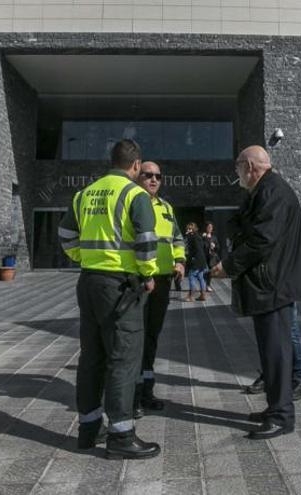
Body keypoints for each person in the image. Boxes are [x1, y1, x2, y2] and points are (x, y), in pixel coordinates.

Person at [58, 139, 161, 460]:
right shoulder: (135, 194)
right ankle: (121, 435)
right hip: (120, 287)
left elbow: (65, 236)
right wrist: (147, 274)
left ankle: (89, 429)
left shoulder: (84, 194)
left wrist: (86, 257)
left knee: (92, 357)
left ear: (111, 161)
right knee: (124, 358)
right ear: (135, 166)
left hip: (88, 281)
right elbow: (146, 240)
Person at [211, 145, 301, 440]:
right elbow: (243, 225)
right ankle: (275, 407)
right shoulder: (264, 191)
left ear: (250, 167)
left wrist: (228, 266)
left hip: (274, 286)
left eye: (237, 168)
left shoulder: (273, 191)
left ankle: (282, 416)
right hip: (270, 285)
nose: (236, 174)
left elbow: (260, 240)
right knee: (271, 352)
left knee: (277, 352)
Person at [133, 161, 185, 419]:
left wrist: (180, 260)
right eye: (148, 175)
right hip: (140, 281)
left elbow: (176, 237)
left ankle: (147, 392)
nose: (154, 179)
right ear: (137, 176)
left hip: (163, 282)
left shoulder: (166, 207)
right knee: (136, 339)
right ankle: (132, 396)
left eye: (158, 176)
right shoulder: (131, 201)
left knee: (152, 337)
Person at [243, 302, 301, 400]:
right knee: (266, 328)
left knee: (290, 327)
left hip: (284, 290)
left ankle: (298, 379)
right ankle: (269, 376)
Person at [184, 222, 208, 302]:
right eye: (187, 228)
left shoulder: (193, 237)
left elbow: (196, 249)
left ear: (194, 229)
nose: (188, 230)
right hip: (202, 260)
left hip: (196, 260)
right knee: (201, 277)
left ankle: (191, 296)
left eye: (190, 228)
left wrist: (193, 258)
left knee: (191, 276)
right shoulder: (198, 236)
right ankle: (203, 295)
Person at [202, 221, 220, 292]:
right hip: (204, 256)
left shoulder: (214, 237)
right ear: (206, 227)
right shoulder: (203, 236)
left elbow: (218, 247)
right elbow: (201, 246)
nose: (210, 228)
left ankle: (208, 285)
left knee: (209, 272)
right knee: (203, 271)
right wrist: (205, 238)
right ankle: (203, 285)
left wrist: (214, 246)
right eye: (209, 227)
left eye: (211, 227)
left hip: (211, 257)